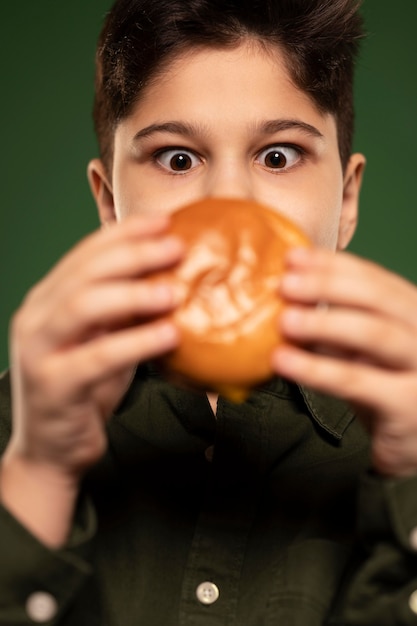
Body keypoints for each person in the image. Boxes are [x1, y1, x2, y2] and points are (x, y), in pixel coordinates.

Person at [1, 0, 417, 623]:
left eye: (278, 156)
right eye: (177, 158)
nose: (228, 202)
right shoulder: (19, 431)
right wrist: (39, 474)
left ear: (348, 201)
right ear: (110, 206)